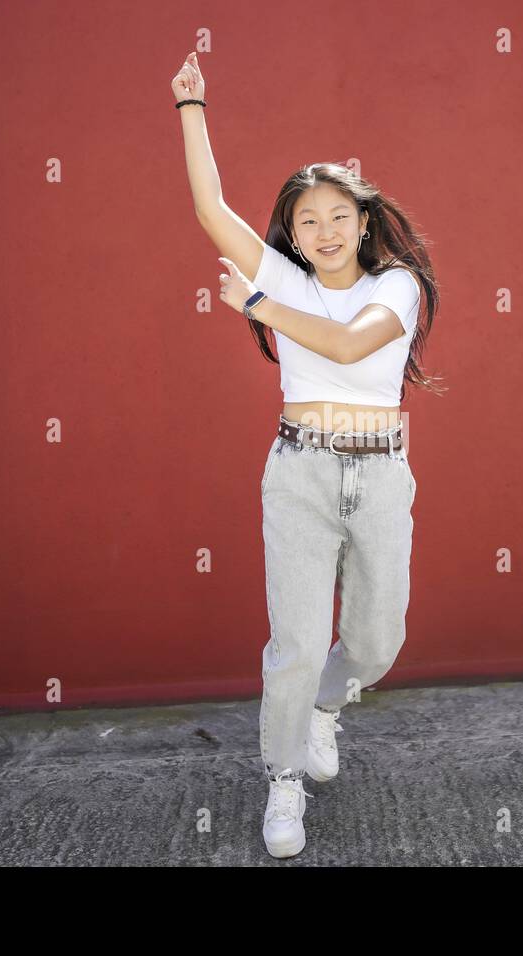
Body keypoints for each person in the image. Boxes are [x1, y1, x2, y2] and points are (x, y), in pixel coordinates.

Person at [172, 52, 444, 858]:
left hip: (380, 472)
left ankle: (327, 707)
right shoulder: (290, 281)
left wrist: (255, 304)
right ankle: (284, 777)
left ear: (363, 221)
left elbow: (351, 344)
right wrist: (193, 107)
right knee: (293, 637)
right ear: (292, 234)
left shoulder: (395, 288)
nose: (322, 233)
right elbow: (212, 210)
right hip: (299, 469)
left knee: (376, 641)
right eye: (305, 222)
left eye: (336, 217)